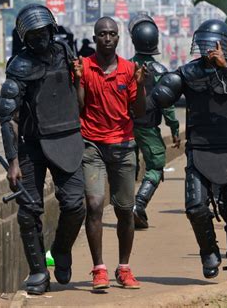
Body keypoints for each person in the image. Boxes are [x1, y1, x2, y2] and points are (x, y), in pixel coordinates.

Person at [151, 19, 227, 280]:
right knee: (196, 207)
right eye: (205, 45)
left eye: (214, 46)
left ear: (225, 47)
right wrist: (155, 86)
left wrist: (226, 69)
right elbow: (161, 95)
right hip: (199, 149)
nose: (209, 50)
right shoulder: (188, 72)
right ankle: (209, 251)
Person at [0, 4, 86, 295]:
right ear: (25, 38)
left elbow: (77, 93)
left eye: (44, 32)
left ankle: (61, 250)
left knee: (75, 205)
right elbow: (8, 116)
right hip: (32, 146)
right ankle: (37, 272)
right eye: (33, 35)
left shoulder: (65, 53)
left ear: (52, 29)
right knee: (28, 212)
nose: (40, 39)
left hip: (67, 137)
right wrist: (13, 161)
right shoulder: (19, 66)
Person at [73, 17, 147, 290]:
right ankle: (99, 268)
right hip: (92, 145)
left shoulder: (128, 70)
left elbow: (138, 111)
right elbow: (79, 107)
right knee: (94, 205)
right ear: (95, 38)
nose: (107, 38)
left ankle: (124, 268)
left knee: (125, 210)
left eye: (112, 34)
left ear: (118, 38)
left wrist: (141, 85)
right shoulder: (85, 67)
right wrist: (79, 80)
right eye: (102, 34)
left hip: (123, 145)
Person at [128, 14, 180, 229]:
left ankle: (126, 207)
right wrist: (175, 129)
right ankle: (139, 204)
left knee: (126, 169)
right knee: (156, 167)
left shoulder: (125, 68)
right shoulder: (160, 72)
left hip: (126, 128)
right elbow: (167, 105)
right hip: (149, 127)